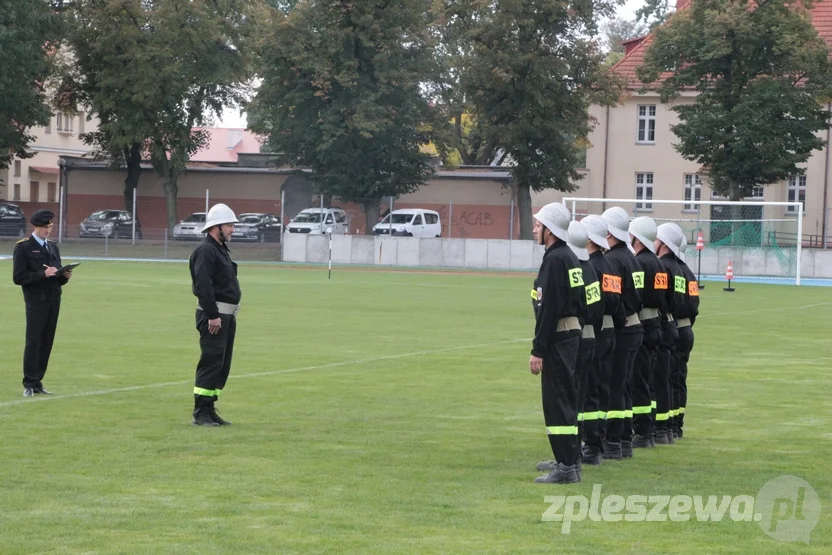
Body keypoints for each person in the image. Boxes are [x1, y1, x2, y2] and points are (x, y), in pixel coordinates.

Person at [529, 202, 585, 484]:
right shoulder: (570, 257)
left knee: (557, 403)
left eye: (538, 225)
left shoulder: (554, 260)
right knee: (568, 401)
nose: (534, 229)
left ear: (549, 230)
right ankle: (571, 462)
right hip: (571, 337)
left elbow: (548, 308)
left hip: (559, 339)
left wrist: (538, 349)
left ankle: (565, 466)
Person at [189, 203, 242, 426]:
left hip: (225, 317)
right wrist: (212, 315)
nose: (232, 230)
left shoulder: (220, 249)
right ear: (216, 227)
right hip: (215, 317)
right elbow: (203, 286)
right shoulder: (205, 251)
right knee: (211, 362)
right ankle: (200, 411)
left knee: (221, 364)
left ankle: (210, 408)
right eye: (229, 225)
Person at [12, 209, 73, 396]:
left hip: (54, 300)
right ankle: (29, 383)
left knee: (47, 342)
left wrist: (65, 276)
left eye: (50, 226)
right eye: (45, 227)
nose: (48, 230)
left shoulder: (53, 247)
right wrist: (42, 274)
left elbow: (57, 277)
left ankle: (38, 381)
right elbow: (18, 277)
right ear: (35, 227)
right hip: (36, 301)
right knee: (33, 341)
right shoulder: (23, 247)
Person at [600, 207, 643, 460]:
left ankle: (613, 440)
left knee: (615, 385)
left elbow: (613, 300)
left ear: (608, 232)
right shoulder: (631, 258)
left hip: (623, 328)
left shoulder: (613, 261)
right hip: (635, 326)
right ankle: (624, 439)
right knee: (624, 385)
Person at [579, 214, 623, 465]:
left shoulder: (591, 267)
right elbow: (617, 305)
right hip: (611, 332)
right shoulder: (610, 267)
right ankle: (599, 439)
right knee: (603, 387)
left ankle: (590, 444)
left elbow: (591, 306)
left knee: (589, 390)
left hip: (594, 332)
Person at [628, 216, 668, 449]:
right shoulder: (659, 264)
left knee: (639, 380)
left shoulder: (641, 263)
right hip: (657, 324)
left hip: (642, 323)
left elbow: (636, 294)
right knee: (650, 380)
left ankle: (642, 432)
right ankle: (650, 428)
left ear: (637, 238)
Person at [652, 223, 684, 445]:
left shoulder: (662, 267)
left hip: (663, 325)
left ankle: (661, 429)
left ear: (662, 243)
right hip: (677, 324)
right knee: (672, 378)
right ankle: (671, 427)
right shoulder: (681, 269)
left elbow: (659, 299)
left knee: (659, 379)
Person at [672, 232, 700, 439]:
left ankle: (669, 424)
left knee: (668, 378)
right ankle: (677, 424)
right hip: (687, 329)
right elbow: (693, 306)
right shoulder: (689, 273)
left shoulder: (672, 270)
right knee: (679, 378)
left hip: (673, 328)